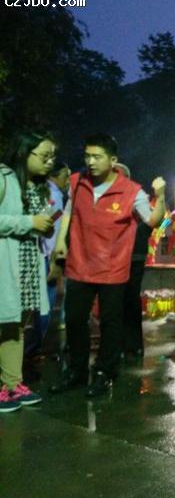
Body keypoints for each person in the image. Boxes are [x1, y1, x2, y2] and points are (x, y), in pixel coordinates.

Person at [50, 133, 166, 397]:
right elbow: (68, 211)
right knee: (75, 319)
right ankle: (77, 370)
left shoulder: (132, 191)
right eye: (87, 156)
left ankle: (105, 371)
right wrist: (61, 241)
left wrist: (160, 196)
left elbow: (156, 222)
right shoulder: (77, 182)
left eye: (97, 157)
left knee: (112, 322)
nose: (90, 162)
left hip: (117, 266)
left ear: (113, 161)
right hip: (80, 263)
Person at [0, 130, 55, 412]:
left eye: (52, 157)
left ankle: (12, 384)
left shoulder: (38, 186)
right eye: (44, 156)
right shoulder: (3, 178)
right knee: (5, 325)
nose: (50, 162)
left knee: (15, 327)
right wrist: (29, 222)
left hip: (26, 266)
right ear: (25, 153)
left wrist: (43, 227)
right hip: (5, 264)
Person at [25, 160, 70, 358]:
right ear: (54, 176)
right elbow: (54, 229)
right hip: (45, 256)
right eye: (65, 176)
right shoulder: (54, 195)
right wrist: (56, 260)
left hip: (40, 253)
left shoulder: (44, 190)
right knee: (44, 304)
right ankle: (32, 347)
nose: (67, 181)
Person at [115, 163, 153, 360]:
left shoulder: (138, 196)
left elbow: (158, 224)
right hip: (116, 255)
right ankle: (123, 345)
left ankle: (132, 345)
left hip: (134, 255)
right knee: (117, 301)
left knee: (129, 299)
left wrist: (167, 220)